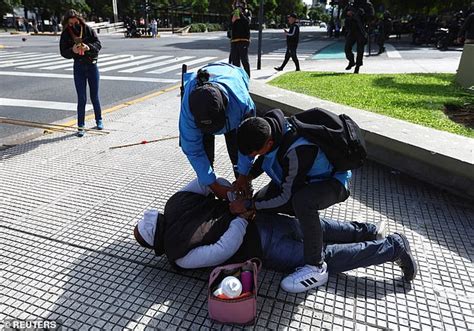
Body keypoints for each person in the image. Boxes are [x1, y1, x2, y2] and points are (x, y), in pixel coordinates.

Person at [133, 178, 418, 290]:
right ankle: (368, 231)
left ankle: (393, 247)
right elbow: (208, 182)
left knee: (323, 256)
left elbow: (223, 250)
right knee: (314, 229)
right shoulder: (175, 201)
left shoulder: (179, 256)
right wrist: (236, 199)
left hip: (262, 246)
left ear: (155, 244)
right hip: (264, 218)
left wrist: (240, 220)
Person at [232, 108, 353, 293]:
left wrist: (249, 204)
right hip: (302, 179)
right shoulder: (269, 129)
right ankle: (370, 231)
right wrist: (246, 177)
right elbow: (265, 158)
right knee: (262, 201)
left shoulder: (298, 150)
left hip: (334, 182)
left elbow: (286, 197)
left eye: (253, 153)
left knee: (302, 203)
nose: (251, 157)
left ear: (269, 143)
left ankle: (316, 266)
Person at [179, 62, 256, 201]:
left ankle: (243, 187)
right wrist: (213, 185)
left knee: (237, 152)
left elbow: (249, 143)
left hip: (231, 79)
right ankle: (207, 190)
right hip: (205, 106)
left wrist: (244, 175)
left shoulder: (243, 104)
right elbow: (192, 149)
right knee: (205, 155)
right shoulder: (189, 107)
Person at [60, 9, 103, 137]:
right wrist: (72, 50)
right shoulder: (66, 34)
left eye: (75, 22)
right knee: (81, 98)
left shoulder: (88, 29)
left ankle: (99, 119)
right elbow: (63, 52)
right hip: (78, 66)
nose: (73, 25)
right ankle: (81, 126)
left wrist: (88, 47)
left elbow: (98, 44)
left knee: (94, 96)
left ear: (79, 20)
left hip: (91, 65)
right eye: (70, 23)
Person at [343, 0, 374, 73]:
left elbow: (371, 17)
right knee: (347, 48)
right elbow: (344, 14)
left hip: (361, 29)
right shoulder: (351, 3)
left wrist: (363, 14)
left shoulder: (367, 4)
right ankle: (351, 61)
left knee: (360, 49)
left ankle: (357, 66)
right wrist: (348, 13)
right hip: (351, 29)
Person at [229, 0, 251, 77]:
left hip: (244, 40)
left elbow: (247, 23)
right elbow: (230, 26)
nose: (238, 5)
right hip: (234, 40)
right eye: (237, 3)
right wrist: (232, 21)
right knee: (235, 61)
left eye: (240, 3)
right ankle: (237, 77)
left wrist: (241, 14)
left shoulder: (247, 13)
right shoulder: (233, 14)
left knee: (244, 60)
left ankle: (247, 77)